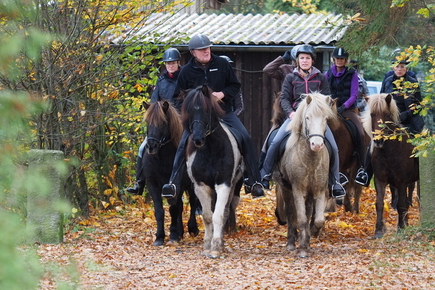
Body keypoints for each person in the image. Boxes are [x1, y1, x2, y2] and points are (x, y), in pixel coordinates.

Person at [161, 35, 265, 199]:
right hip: (198, 118)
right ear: (193, 52)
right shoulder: (187, 72)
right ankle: (172, 183)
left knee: (245, 137)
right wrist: (190, 110)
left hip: (224, 113)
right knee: (182, 144)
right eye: (202, 50)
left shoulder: (222, 64)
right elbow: (177, 98)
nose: (206, 51)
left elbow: (235, 86)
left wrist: (222, 94)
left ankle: (254, 182)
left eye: (208, 48)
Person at [259, 44, 346, 200]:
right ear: (297, 60)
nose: (304, 61)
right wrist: (290, 112)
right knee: (275, 141)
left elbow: (327, 97)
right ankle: (264, 175)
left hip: (315, 119)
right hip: (295, 117)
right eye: (302, 58)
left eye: (307, 58)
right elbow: (285, 98)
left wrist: (325, 110)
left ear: (312, 60)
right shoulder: (290, 77)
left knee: (333, 146)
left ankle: (335, 183)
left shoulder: (320, 78)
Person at [125, 47, 182, 195]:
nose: (170, 66)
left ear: (178, 63)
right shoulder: (161, 81)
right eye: (168, 63)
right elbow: (153, 102)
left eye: (173, 63)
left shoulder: (184, 79)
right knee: (142, 147)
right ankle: (139, 182)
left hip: (179, 123)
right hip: (162, 124)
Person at [325, 47, 369, 186]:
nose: (339, 61)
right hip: (330, 110)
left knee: (360, 133)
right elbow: (324, 91)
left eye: (342, 59)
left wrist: (344, 107)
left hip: (347, 110)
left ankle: (363, 169)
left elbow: (354, 94)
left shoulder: (352, 74)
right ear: (334, 60)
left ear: (345, 60)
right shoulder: (327, 74)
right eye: (337, 58)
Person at [380, 57, 425, 134]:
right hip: (389, 118)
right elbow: (381, 99)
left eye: (402, 67)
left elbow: (418, 104)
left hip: (408, 119)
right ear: (393, 68)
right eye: (397, 66)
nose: (399, 69)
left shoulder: (413, 82)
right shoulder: (387, 81)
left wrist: (406, 114)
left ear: (407, 68)